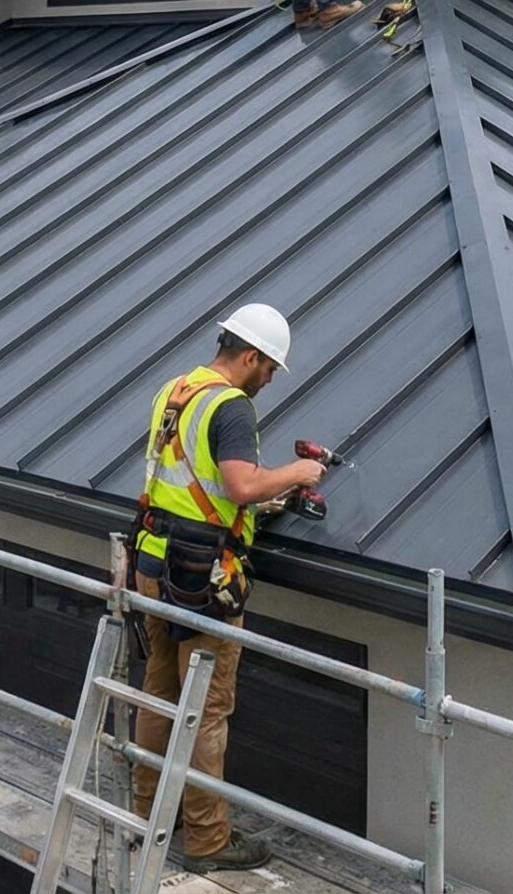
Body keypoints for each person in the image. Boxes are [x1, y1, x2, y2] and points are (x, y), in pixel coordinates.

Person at [128, 303, 326, 873]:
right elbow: (238, 483)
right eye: (269, 369)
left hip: (155, 558)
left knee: (158, 691)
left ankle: (145, 814)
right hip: (202, 575)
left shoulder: (177, 389)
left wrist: (254, 500)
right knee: (208, 709)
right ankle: (208, 841)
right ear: (250, 356)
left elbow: (196, 481)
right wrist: (298, 475)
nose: (268, 380)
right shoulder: (233, 406)